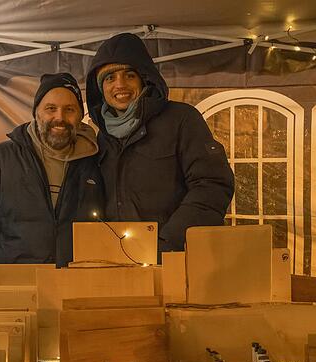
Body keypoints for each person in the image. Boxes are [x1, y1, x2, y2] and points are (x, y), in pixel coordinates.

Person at [85, 33, 234, 253]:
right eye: (110, 78)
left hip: (178, 256)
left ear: (144, 78)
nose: (120, 85)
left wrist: (167, 242)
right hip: (119, 258)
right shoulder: (103, 137)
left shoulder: (181, 119)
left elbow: (212, 184)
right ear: (100, 87)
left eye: (129, 75)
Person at [0, 73, 103, 266]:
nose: (60, 117)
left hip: (79, 286)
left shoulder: (96, 162)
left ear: (80, 116)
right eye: (50, 108)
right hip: (14, 287)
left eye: (69, 109)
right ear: (36, 112)